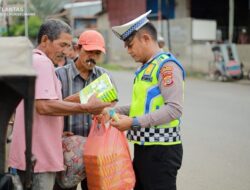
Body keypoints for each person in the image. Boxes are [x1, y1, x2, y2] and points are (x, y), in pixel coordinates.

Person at [8, 19, 110, 190]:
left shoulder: (35, 61)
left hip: (34, 154)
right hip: (38, 158)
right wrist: (85, 107)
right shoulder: (42, 63)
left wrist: (75, 101)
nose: (65, 51)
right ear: (45, 40)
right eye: (62, 44)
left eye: (68, 46)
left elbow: (39, 106)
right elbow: (44, 106)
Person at [110, 10, 185, 190]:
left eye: (130, 44)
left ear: (145, 38)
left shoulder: (166, 66)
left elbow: (174, 109)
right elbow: (141, 107)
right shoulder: (146, 68)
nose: (128, 51)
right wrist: (113, 112)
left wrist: (133, 122)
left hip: (162, 151)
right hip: (145, 147)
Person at [54, 30, 117, 190]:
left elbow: (112, 108)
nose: (93, 57)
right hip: (67, 153)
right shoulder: (59, 76)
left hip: (96, 152)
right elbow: (50, 109)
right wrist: (57, 132)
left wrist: (107, 114)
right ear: (77, 49)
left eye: (97, 53)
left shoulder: (105, 77)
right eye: (89, 51)